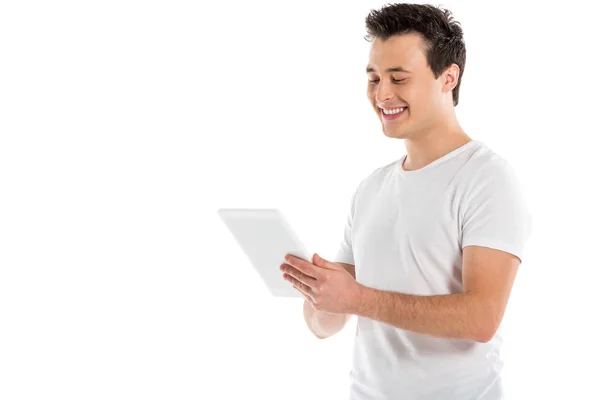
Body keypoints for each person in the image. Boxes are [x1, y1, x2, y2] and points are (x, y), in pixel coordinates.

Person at [279, 3, 532, 400]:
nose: (382, 95)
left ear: (449, 78)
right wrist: (319, 293)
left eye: (399, 78)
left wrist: (358, 298)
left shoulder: (487, 178)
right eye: (374, 78)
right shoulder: (370, 189)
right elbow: (327, 324)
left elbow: (482, 318)